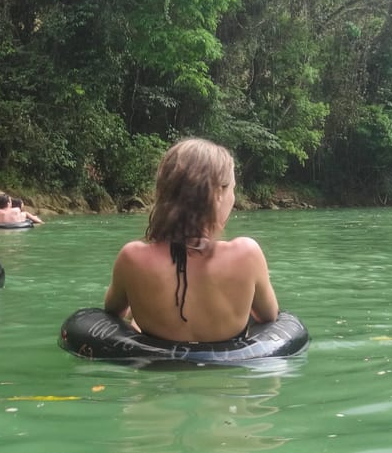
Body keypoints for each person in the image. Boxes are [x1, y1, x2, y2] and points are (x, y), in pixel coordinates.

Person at [103, 138, 279, 342]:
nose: (233, 196)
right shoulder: (247, 253)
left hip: (157, 370)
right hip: (227, 373)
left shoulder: (131, 258)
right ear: (218, 194)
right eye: (232, 188)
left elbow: (113, 312)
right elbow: (268, 315)